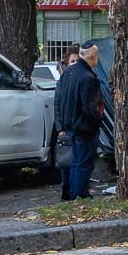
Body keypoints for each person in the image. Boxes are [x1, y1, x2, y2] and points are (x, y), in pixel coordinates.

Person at [57, 42, 104, 200]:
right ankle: (80, 194)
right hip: (84, 127)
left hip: (71, 125)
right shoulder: (88, 77)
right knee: (84, 162)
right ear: (93, 56)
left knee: (76, 162)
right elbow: (91, 107)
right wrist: (97, 122)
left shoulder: (69, 72)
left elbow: (61, 99)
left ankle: (74, 193)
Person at [53, 47, 82, 200]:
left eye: (77, 61)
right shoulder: (63, 81)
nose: (75, 63)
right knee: (66, 162)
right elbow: (57, 105)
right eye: (72, 61)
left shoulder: (84, 78)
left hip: (80, 127)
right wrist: (60, 129)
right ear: (67, 63)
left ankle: (76, 191)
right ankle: (67, 190)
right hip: (67, 128)